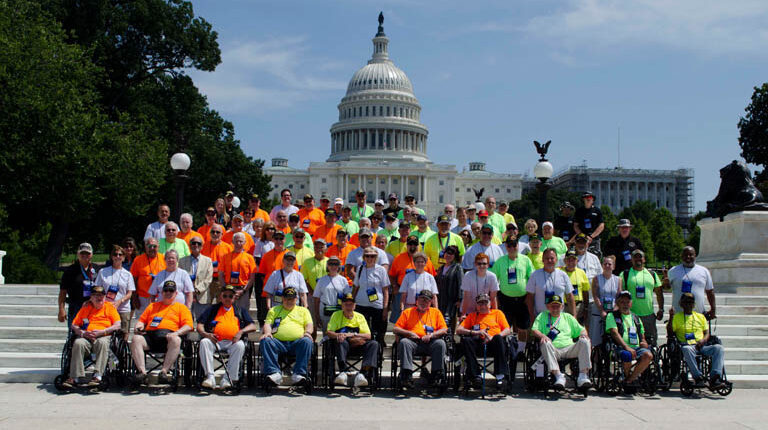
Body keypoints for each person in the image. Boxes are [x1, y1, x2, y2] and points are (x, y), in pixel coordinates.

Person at [130, 280, 193, 384]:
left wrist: (176, 333)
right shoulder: (152, 306)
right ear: (161, 293)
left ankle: (164, 371)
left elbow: (189, 326)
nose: (168, 293)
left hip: (168, 338)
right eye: (166, 290)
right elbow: (141, 321)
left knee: (176, 340)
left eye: (171, 291)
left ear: (176, 293)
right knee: (136, 339)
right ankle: (142, 372)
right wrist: (139, 326)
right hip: (151, 337)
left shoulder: (181, 308)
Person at [196, 285, 258, 389]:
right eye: (225, 296)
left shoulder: (239, 310)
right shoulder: (212, 309)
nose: (227, 298)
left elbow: (252, 326)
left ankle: (227, 379)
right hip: (215, 341)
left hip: (232, 342)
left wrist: (240, 332)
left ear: (234, 298)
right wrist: (206, 334)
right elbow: (200, 325)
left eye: (230, 296)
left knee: (240, 345)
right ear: (220, 297)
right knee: (204, 342)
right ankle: (210, 377)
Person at [61, 286, 121, 388]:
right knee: (78, 343)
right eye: (96, 295)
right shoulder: (86, 308)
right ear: (91, 298)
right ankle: (74, 377)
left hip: (104, 335)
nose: (99, 298)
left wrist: (103, 332)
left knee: (102, 343)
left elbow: (117, 325)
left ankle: (98, 376)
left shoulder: (110, 307)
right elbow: (74, 324)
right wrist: (83, 333)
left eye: (101, 295)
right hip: (87, 337)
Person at [531, 294, 593, 390]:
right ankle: (558, 376)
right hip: (552, 349)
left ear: (562, 307)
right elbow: (534, 330)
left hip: (569, 348)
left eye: (558, 306)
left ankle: (583, 375)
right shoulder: (542, 316)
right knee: (545, 342)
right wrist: (542, 335)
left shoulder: (568, 317)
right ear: (548, 306)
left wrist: (583, 334)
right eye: (552, 306)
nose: (555, 308)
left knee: (585, 341)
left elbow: (582, 330)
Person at [667, 293, 727, 389]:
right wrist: (671, 317)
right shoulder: (677, 317)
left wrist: (703, 340)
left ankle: (715, 378)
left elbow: (707, 333)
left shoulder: (700, 317)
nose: (688, 304)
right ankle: (698, 377)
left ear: (694, 304)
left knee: (718, 348)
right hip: (687, 345)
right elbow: (670, 332)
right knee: (686, 349)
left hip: (701, 345)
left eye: (690, 302)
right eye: (686, 302)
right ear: (681, 304)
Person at [259, 287, 314, 387]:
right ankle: (274, 373)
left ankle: (299, 373)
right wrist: (267, 332)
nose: (289, 301)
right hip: (278, 343)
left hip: (297, 343)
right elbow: (267, 324)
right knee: (266, 340)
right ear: (282, 299)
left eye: (292, 299)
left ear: (296, 299)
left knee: (307, 341)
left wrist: (308, 332)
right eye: (287, 299)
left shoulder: (303, 311)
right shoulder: (274, 310)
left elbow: (309, 325)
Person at [456, 293, 512, 391]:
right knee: (467, 340)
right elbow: (459, 330)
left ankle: (500, 376)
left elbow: (507, 329)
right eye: (480, 304)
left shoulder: (497, 313)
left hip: (494, 344)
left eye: (485, 303)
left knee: (499, 338)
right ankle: (476, 376)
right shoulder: (472, 316)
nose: (482, 306)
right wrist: (475, 332)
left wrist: (493, 337)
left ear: (490, 304)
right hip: (478, 344)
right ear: (476, 305)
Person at [393, 290, 448, 388]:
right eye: (421, 300)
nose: (423, 302)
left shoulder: (435, 312)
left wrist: (431, 335)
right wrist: (409, 333)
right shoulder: (408, 312)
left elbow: (444, 329)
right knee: (404, 342)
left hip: (430, 342)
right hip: (413, 342)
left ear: (430, 303)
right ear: (417, 301)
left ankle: (436, 375)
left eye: (426, 301)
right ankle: (406, 375)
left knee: (440, 343)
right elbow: (396, 328)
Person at [327, 293, 380, 387]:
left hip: (358, 344)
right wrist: (339, 335)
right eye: (346, 304)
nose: (348, 306)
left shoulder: (360, 317)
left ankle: (363, 373)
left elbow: (368, 335)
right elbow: (329, 332)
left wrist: (353, 334)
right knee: (340, 340)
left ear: (355, 306)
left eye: (351, 304)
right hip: (344, 346)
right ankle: (343, 371)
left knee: (374, 344)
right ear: (342, 305)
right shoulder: (336, 315)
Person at [491, 238, 535, 340]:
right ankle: (507, 351)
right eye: (509, 246)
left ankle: (521, 350)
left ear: (518, 246)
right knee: (505, 326)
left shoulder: (525, 260)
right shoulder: (500, 261)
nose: (512, 248)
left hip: (522, 299)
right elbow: (493, 279)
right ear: (506, 247)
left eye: (514, 245)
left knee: (523, 327)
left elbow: (532, 278)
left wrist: (530, 295)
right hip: (505, 299)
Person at [606, 291, 653, 387]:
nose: (625, 305)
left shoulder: (636, 318)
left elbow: (642, 335)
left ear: (631, 304)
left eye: (627, 302)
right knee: (627, 355)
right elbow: (614, 333)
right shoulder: (612, 316)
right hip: (620, 347)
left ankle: (629, 380)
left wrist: (644, 342)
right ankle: (628, 377)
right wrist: (626, 347)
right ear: (618, 303)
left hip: (636, 347)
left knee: (648, 355)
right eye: (622, 302)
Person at [623, 250, 664, 345]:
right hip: (631, 315)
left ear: (644, 259)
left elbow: (659, 293)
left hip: (648, 315)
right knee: (632, 342)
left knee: (651, 343)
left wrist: (661, 309)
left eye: (640, 257)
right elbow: (620, 295)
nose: (638, 259)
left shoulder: (652, 274)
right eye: (635, 257)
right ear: (632, 260)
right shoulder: (625, 274)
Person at [351, 247, 390, 345]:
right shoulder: (360, 269)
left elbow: (385, 290)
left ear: (376, 257)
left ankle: (378, 351)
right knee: (363, 331)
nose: (370, 258)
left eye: (372, 256)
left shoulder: (381, 270)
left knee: (378, 331)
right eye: (367, 256)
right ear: (364, 257)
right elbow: (355, 287)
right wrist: (352, 302)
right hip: (361, 304)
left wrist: (385, 308)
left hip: (377, 305)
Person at [526, 248, 576, 320]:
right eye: (547, 258)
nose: (549, 260)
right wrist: (531, 316)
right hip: (540, 318)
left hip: (559, 318)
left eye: (552, 258)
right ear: (543, 260)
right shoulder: (535, 275)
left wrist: (574, 315)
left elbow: (570, 296)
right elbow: (530, 298)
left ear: (556, 260)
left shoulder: (563, 275)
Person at [95, 245, 135, 334]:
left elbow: (129, 293)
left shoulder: (128, 274)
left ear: (124, 258)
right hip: (105, 307)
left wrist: (120, 301)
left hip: (122, 308)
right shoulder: (103, 272)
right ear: (112, 257)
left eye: (120, 255)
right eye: (115, 254)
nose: (118, 257)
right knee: (106, 333)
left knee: (124, 333)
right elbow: (97, 289)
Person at [667, 246, 716, 318]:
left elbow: (710, 291)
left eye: (691, 254)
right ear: (681, 256)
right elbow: (666, 289)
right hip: (678, 315)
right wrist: (665, 285)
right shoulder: (673, 271)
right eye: (685, 255)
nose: (688, 257)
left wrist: (713, 309)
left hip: (699, 315)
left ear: (695, 255)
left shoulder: (704, 271)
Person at [58, 243, 98, 327]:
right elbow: (63, 292)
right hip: (76, 306)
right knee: (74, 332)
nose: (85, 255)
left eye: (87, 253)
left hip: (93, 307)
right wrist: (61, 309)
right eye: (82, 253)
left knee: (91, 331)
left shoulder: (97, 269)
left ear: (92, 254)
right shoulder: (70, 270)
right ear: (78, 254)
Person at [219, 232, 258, 310]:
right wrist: (225, 289)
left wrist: (243, 290)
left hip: (243, 290)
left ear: (244, 243)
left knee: (243, 315)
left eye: (240, 241)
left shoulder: (249, 257)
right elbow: (220, 274)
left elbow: (252, 277)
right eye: (236, 241)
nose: (238, 243)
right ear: (232, 242)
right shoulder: (225, 257)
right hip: (229, 290)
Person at [589, 255, 623, 346]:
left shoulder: (618, 279)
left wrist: (614, 310)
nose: (607, 266)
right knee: (596, 341)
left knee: (613, 338)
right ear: (602, 265)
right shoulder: (596, 279)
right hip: (599, 312)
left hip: (612, 312)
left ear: (613, 266)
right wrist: (602, 311)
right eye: (605, 264)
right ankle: (596, 358)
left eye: (609, 264)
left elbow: (619, 297)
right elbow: (595, 296)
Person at [179, 236, 214, 320]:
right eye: (193, 243)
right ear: (190, 245)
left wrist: (197, 290)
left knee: (202, 323)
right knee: (186, 321)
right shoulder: (182, 261)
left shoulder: (208, 261)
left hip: (202, 296)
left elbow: (208, 279)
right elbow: (180, 278)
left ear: (202, 246)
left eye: (198, 243)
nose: (196, 245)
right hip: (186, 296)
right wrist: (189, 291)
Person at [130, 238, 166, 316]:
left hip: (160, 296)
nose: (152, 248)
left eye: (154, 246)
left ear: (158, 247)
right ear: (145, 247)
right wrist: (135, 297)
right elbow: (133, 280)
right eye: (149, 246)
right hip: (143, 297)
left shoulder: (164, 259)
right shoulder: (138, 260)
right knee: (141, 322)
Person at [312, 256, 349, 332]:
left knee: (339, 333)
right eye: (331, 264)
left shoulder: (343, 280)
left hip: (339, 311)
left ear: (339, 266)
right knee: (326, 334)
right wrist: (317, 315)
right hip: (325, 311)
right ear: (327, 266)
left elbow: (347, 297)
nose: (333, 266)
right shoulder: (321, 280)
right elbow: (316, 298)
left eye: (336, 264)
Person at [201, 224, 233, 300]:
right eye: (213, 232)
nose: (215, 234)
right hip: (207, 280)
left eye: (217, 232)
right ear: (210, 233)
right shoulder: (203, 246)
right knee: (207, 304)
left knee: (221, 303)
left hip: (221, 280)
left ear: (222, 234)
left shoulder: (228, 248)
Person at [435, 245, 462, 330]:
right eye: (447, 253)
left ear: (455, 256)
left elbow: (461, 284)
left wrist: (460, 299)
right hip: (441, 299)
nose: (448, 255)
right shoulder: (441, 268)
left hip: (452, 300)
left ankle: (450, 341)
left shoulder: (458, 267)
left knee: (449, 321)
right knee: (440, 320)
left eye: (451, 253)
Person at [559, 250, 590, 323]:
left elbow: (585, 291)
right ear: (564, 261)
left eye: (573, 260)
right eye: (568, 260)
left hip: (578, 306)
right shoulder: (559, 271)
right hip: (563, 306)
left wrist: (586, 308)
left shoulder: (581, 272)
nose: (570, 262)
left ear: (577, 261)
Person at [574, 191, 605, 255]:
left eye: (590, 197)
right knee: (580, 256)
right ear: (583, 199)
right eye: (586, 197)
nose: (588, 199)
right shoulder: (579, 211)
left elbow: (601, 225)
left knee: (596, 256)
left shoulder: (597, 211)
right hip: (582, 239)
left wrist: (591, 236)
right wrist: (583, 236)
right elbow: (575, 226)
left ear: (593, 200)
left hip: (594, 239)